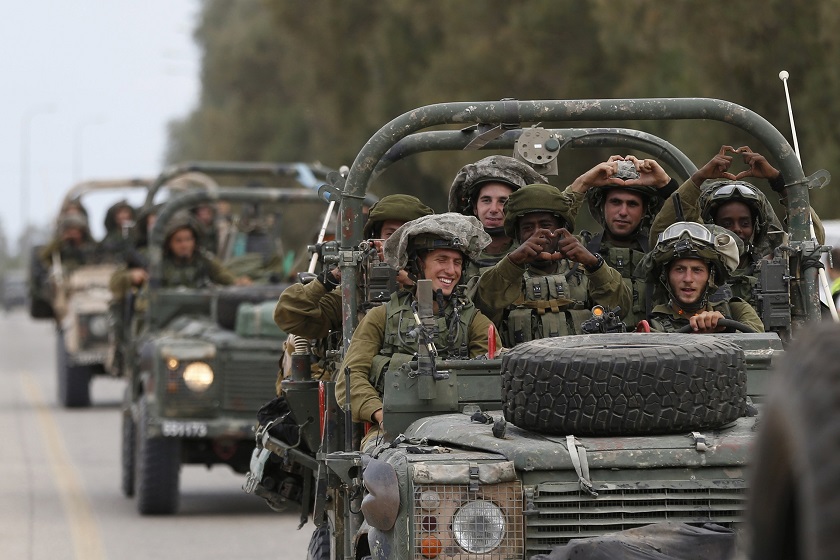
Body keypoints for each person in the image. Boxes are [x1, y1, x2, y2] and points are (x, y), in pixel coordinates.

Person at [334, 213, 499, 451]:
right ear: (418, 265)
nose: (451, 270)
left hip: (466, 432)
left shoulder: (475, 322)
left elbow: (493, 380)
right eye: (441, 260)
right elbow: (350, 378)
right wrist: (381, 415)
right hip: (394, 431)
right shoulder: (381, 318)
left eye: (457, 262)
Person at [273, 194, 433, 394]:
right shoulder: (353, 295)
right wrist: (333, 277)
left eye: (406, 236)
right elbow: (289, 314)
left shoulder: (441, 285)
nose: (396, 243)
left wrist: (412, 283)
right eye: (390, 235)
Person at [472, 183, 632, 345]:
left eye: (546, 225)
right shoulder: (502, 277)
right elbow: (483, 309)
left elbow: (621, 308)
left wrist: (593, 264)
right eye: (528, 228)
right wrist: (513, 262)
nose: (538, 234)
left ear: (561, 229)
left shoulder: (587, 272)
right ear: (518, 235)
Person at [578, 155, 678, 325]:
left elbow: (693, 228)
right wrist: (582, 183)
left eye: (632, 204)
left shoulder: (663, 252)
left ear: (645, 210)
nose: (623, 212)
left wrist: (666, 184)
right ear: (602, 206)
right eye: (615, 202)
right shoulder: (580, 250)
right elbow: (550, 221)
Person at [639, 221, 764, 333]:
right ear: (666, 275)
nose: (688, 279)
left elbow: (762, 346)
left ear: (711, 275)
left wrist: (724, 330)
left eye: (697, 270)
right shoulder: (652, 327)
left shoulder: (736, 310)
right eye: (679, 269)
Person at [448, 155, 548, 280]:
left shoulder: (538, 252)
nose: (494, 209)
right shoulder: (455, 254)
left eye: (503, 201)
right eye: (486, 200)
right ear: (475, 207)